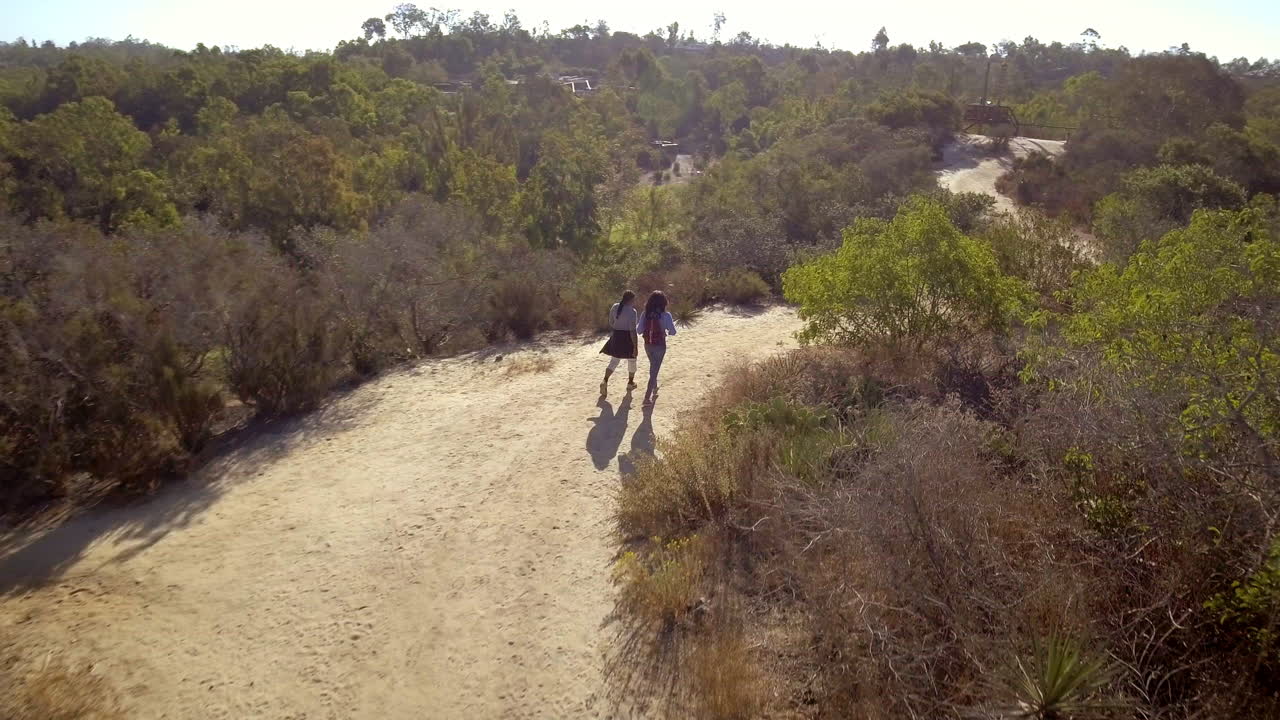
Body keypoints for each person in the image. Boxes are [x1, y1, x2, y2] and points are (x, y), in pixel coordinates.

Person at [637, 290, 677, 406]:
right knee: (654, 370)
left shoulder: (645, 314)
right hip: (660, 345)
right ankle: (646, 398)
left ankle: (654, 387)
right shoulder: (666, 315)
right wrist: (665, 332)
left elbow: (639, 330)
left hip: (647, 344)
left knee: (653, 366)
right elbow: (673, 332)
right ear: (664, 302)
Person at [599, 290, 638, 396]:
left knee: (614, 360)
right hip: (627, 337)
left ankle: (605, 380)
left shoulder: (615, 307)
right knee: (632, 359)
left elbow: (611, 322)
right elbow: (633, 330)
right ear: (631, 300)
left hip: (616, 336)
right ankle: (630, 383)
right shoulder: (632, 311)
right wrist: (635, 346)